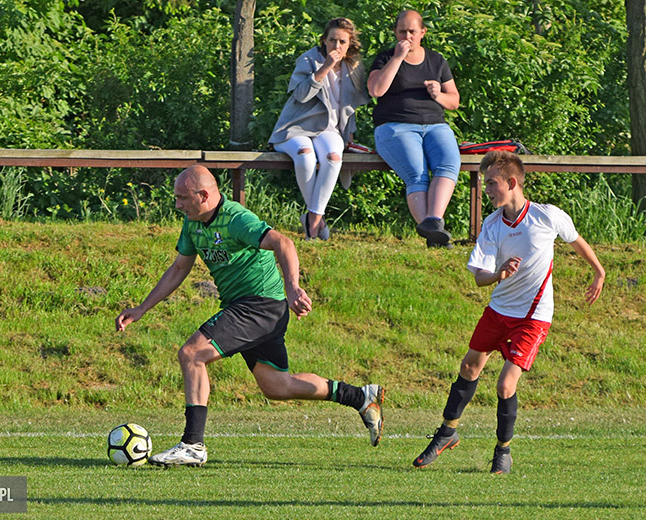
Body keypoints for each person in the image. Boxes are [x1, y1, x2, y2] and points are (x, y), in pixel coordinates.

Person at [115, 165, 385, 467]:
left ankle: (193, 444)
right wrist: (141, 309)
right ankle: (359, 397)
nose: (177, 205)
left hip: (260, 305)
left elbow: (284, 243)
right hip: (247, 306)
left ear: (203, 195)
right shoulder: (193, 223)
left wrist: (293, 288)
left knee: (192, 354)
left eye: (182, 198)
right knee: (276, 386)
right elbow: (179, 269)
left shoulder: (235, 218)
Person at [412, 151, 605, 473]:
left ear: (511, 182)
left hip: (533, 316)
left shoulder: (547, 216)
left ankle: (503, 450)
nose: (486, 189)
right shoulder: (491, 224)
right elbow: (478, 278)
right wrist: (498, 274)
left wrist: (599, 271)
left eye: (491, 183)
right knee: (469, 367)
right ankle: (447, 432)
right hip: (499, 309)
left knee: (505, 384)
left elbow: (576, 240)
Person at [269, 17, 370, 241]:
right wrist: (325, 68)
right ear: (324, 40)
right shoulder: (308, 59)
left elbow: (350, 107)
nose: (336, 46)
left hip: (330, 130)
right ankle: (317, 224)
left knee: (334, 157)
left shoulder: (353, 67)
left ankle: (312, 218)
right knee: (305, 156)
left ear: (350, 44)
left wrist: (350, 136)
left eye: (342, 42)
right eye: (332, 40)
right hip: (297, 127)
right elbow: (301, 95)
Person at [367, 10, 460, 248]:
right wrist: (397, 58)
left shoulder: (436, 60)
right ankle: (434, 235)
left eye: (412, 31)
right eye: (402, 31)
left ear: (422, 33)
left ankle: (433, 224)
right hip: (396, 126)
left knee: (448, 164)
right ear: (395, 32)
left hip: (435, 125)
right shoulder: (385, 57)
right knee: (417, 174)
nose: (407, 36)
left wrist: (438, 94)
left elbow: (454, 101)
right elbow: (376, 90)